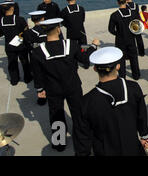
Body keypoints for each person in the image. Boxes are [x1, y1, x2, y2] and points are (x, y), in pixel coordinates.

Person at [31, 18, 99, 152]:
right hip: (73, 86)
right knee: (78, 114)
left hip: (53, 89)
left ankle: (59, 143)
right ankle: (82, 140)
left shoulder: (38, 52)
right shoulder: (71, 45)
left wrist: (40, 89)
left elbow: (37, 74)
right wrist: (93, 46)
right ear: (58, 29)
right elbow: (85, 59)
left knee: (56, 115)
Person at [76, 47, 148, 156]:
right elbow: (142, 116)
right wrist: (145, 136)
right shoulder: (133, 88)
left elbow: (82, 136)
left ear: (95, 69)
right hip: (132, 147)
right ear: (118, 66)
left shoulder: (86, 101)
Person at [108, 0, 141, 80]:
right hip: (131, 39)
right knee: (133, 58)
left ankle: (122, 76)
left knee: (121, 60)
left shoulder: (114, 15)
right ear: (126, 2)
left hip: (120, 40)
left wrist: (118, 34)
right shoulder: (133, 13)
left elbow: (111, 29)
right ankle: (136, 75)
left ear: (118, 3)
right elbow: (138, 24)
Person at [0, 2, 32, 85]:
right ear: (12, 8)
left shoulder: (1, 21)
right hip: (21, 44)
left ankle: (14, 79)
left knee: (12, 62)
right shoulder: (20, 19)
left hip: (9, 45)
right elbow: (26, 31)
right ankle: (27, 78)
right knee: (24, 62)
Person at [22, 11, 48, 105]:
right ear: (42, 18)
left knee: (38, 77)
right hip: (48, 57)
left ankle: (41, 98)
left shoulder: (28, 33)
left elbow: (26, 46)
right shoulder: (48, 30)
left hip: (35, 58)